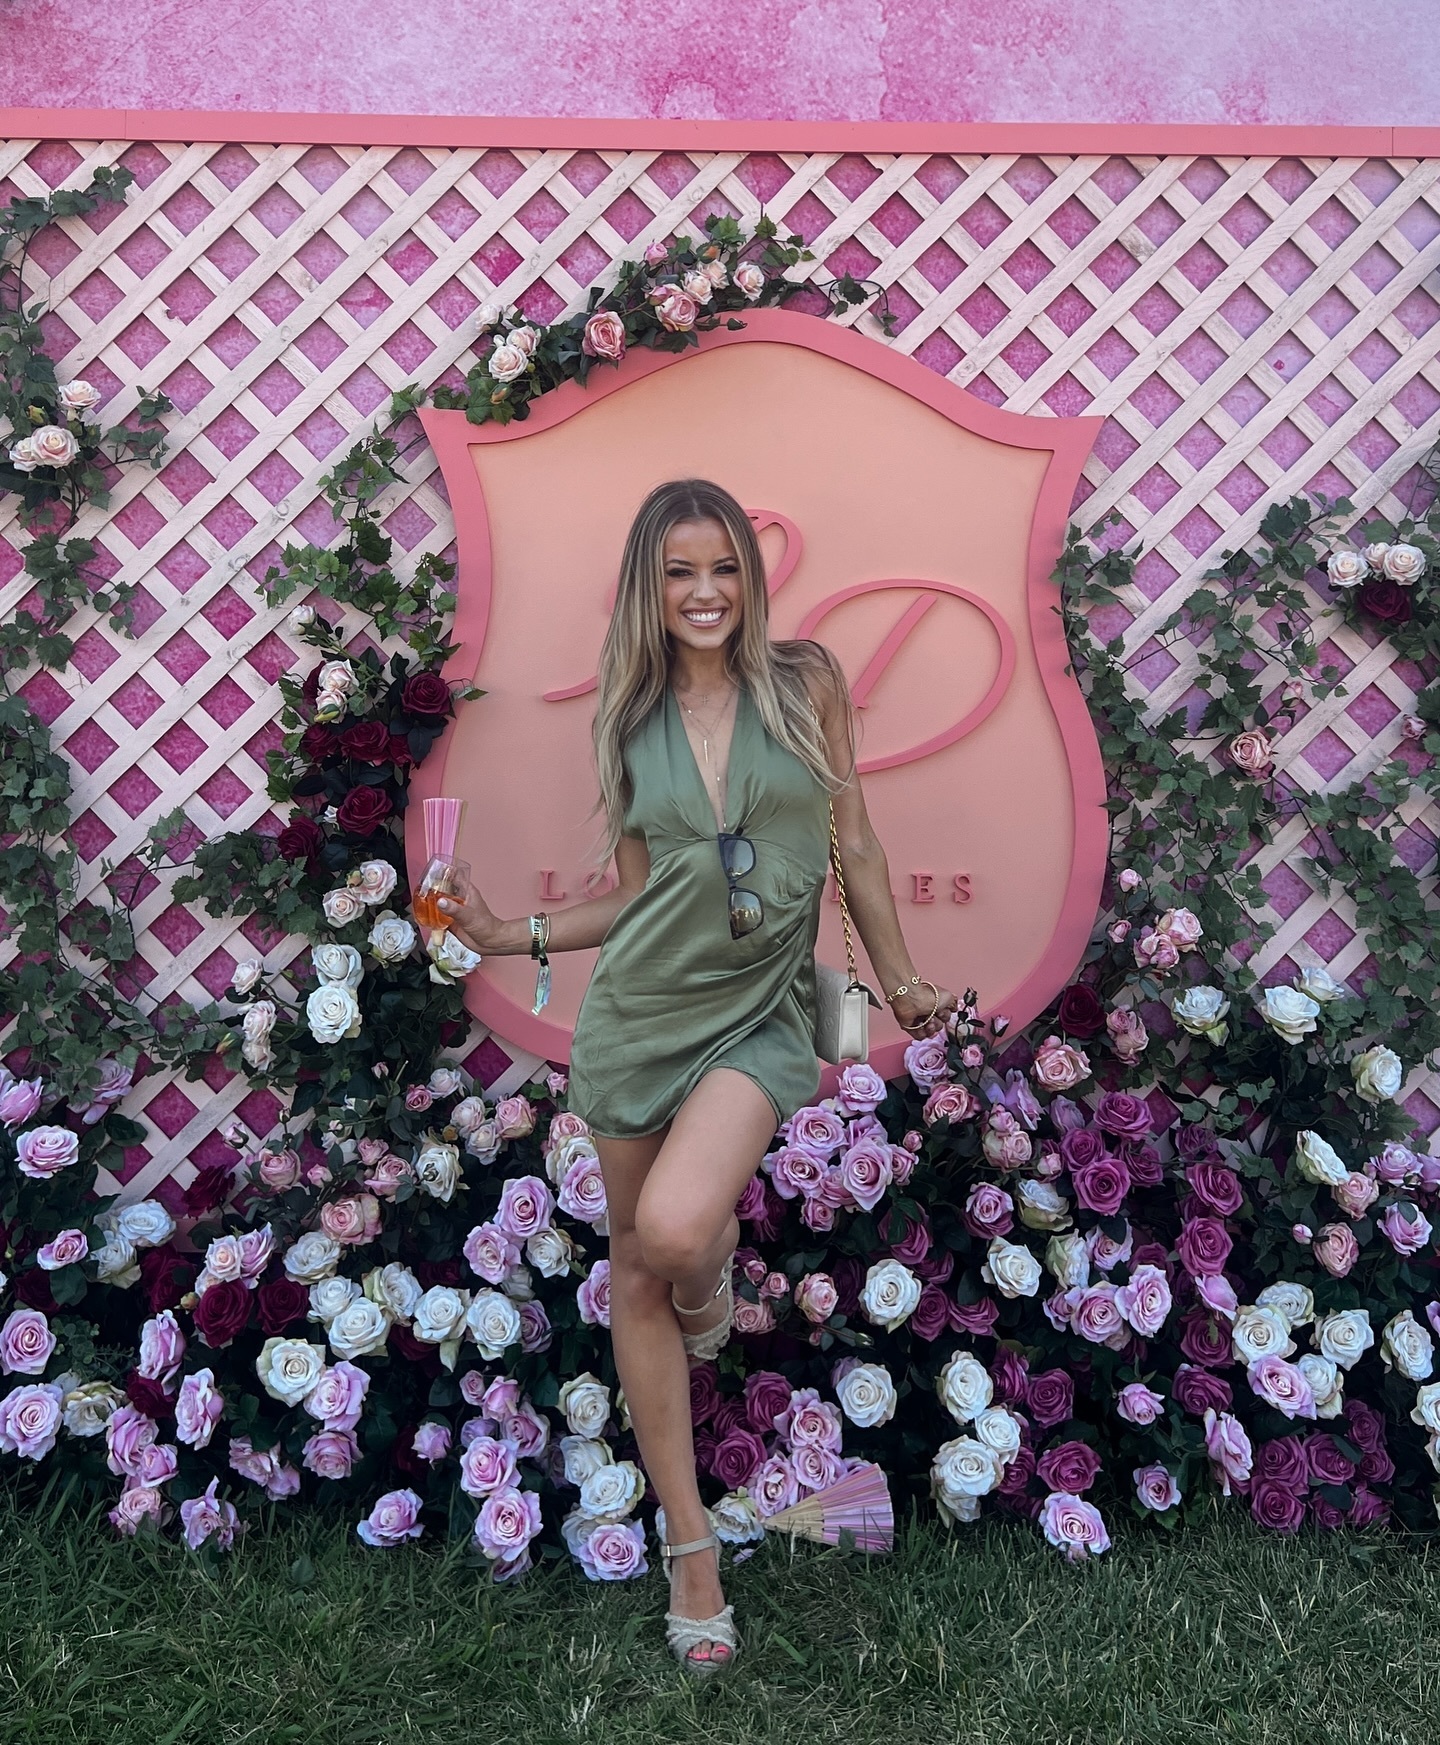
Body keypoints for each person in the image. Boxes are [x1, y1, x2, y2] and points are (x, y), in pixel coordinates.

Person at [439, 478, 959, 1676]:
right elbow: (635, 897)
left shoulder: (807, 682)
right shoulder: (629, 721)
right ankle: (690, 1547)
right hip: (640, 1017)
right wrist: (507, 931)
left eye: (723, 566)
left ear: (751, 577)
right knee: (634, 1265)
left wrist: (902, 979)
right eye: (680, 571)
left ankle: (711, 1283)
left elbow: (856, 841)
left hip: (761, 1015)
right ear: (650, 587)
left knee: (676, 1231)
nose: (706, 591)